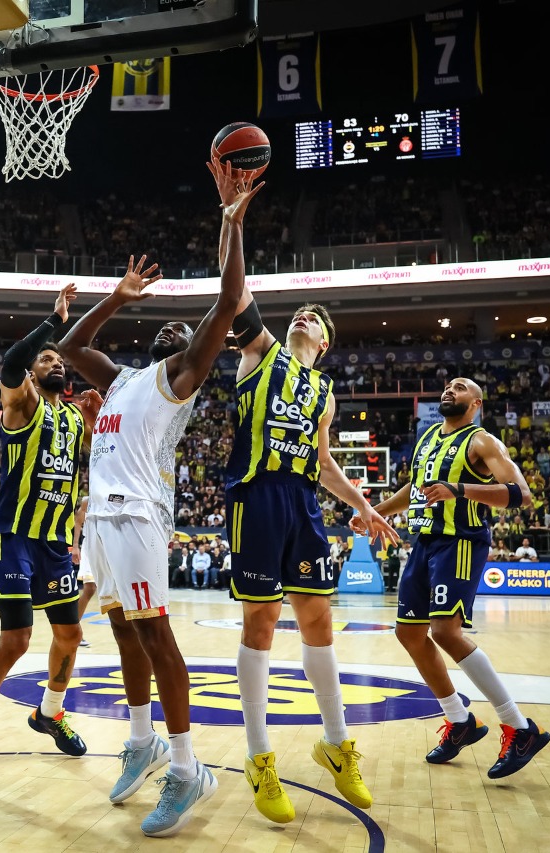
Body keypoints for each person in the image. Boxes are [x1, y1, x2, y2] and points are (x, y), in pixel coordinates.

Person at [56, 160, 259, 837]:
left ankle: (187, 767)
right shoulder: (119, 379)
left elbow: (227, 302)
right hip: (102, 519)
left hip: (139, 515)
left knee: (156, 635)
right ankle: (142, 741)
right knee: (121, 631)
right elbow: (69, 344)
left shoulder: (178, 379)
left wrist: (231, 223)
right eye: (168, 327)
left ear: (195, 354)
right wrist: (117, 295)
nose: (178, 330)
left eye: (187, 332)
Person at [223, 219, 399, 824]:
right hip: (256, 497)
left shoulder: (324, 393)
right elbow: (235, 292)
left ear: (324, 343)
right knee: (262, 620)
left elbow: (322, 463)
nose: (304, 317)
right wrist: (232, 222)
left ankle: (336, 744)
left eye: (315, 319)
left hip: (302, 502)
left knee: (318, 619)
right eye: (299, 313)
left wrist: (363, 504)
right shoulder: (259, 353)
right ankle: (259, 756)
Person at [0, 283, 99, 792]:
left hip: (53, 542)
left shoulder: (73, 418)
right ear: (32, 373)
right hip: (12, 534)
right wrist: (54, 322)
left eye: (60, 360)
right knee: (16, 639)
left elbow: (86, 468)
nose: (56, 363)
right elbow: (11, 361)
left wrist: (97, 424)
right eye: (47, 359)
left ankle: (50, 712)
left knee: (70, 635)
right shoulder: (22, 402)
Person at [361, 378, 550, 779]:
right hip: (424, 542)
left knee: (445, 632)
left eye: (461, 387)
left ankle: (521, 727)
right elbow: (416, 488)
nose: (450, 389)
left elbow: (521, 494)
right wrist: (375, 513)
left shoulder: (482, 442)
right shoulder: (429, 437)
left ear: (476, 403)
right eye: (448, 386)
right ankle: (460, 720)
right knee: (409, 633)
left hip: (460, 541)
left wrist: (460, 489)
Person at [70, 496, 97, 648]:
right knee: (90, 588)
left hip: (111, 544)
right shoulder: (88, 500)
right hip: (91, 545)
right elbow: (78, 522)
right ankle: (72, 630)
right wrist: (75, 546)